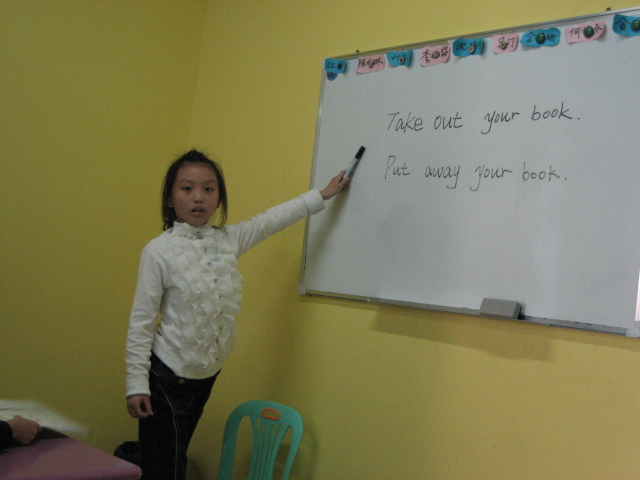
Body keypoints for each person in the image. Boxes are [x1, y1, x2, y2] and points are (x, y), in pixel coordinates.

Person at [125, 149, 349, 480]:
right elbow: (141, 323)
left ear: (219, 199)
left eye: (209, 189)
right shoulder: (158, 252)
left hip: (206, 375)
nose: (198, 197)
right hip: (166, 378)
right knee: (165, 470)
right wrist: (136, 384)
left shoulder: (228, 240)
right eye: (187, 188)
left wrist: (323, 194)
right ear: (170, 199)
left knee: (174, 460)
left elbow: (273, 219)